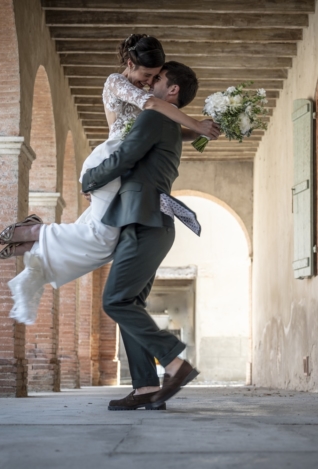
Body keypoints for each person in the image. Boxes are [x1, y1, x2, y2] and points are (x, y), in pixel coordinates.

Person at [0, 35, 219, 324]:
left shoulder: (149, 99)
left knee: (103, 235)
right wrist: (197, 123)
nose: (149, 81)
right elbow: (151, 104)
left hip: (122, 166)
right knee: (103, 237)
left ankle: (34, 242)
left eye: (154, 76)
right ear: (129, 63)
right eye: (147, 74)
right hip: (111, 159)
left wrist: (204, 131)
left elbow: (172, 131)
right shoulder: (117, 82)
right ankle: (32, 234)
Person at [81, 61, 201, 411]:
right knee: (129, 303)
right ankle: (147, 387)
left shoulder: (155, 117)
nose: (151, 86)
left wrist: (88, 180)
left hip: (144, 220)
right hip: (152, 222)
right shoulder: (172, 125)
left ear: (172, 90)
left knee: (114, 301)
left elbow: (124, 156)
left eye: (159, 80)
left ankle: (174, 362)